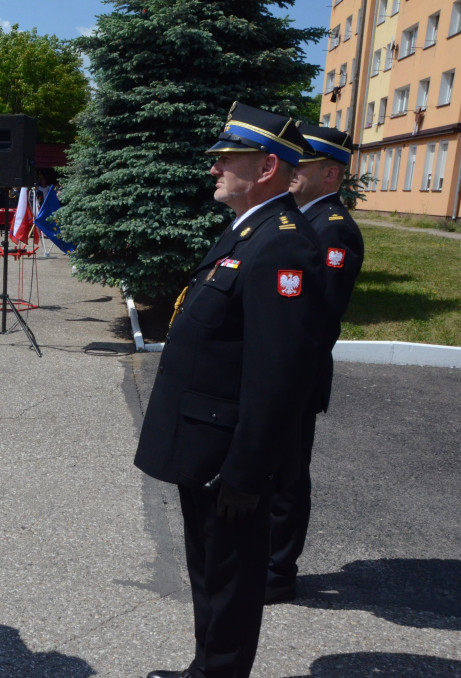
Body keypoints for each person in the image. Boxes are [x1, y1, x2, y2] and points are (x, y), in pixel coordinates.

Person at [135, 102, 327, 678]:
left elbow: (279, 375)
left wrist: (246, 473)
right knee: (211, 574)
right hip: (209, 447)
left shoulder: (283, 245)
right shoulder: (252, 231)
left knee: (230, 583)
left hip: (230, 458)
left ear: (266, 166)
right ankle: (207, 668)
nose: (213, 167)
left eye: (226, 158)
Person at [266, 124, 365, 605]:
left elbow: (318, 313)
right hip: (283, 371)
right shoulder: (302, 218)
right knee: (272, 469)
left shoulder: (333, 228)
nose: (290, 173)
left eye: (300, 167)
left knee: (286, 475)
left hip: (297, 375)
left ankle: (278, 573)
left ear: (330, 174)